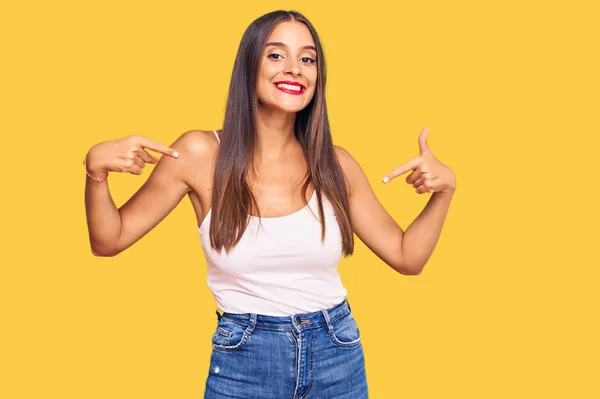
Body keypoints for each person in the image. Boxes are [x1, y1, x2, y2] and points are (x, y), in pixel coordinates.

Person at [83, 9, 456, 399]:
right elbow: (109, 240)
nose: (294, 69)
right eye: (276, 55)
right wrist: (96, 169)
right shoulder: (199, 153)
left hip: (337, 355)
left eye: (307, 59)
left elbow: (406, 257)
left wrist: (445, 191)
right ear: (249, 66)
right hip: (245, 360)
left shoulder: (336, 164)